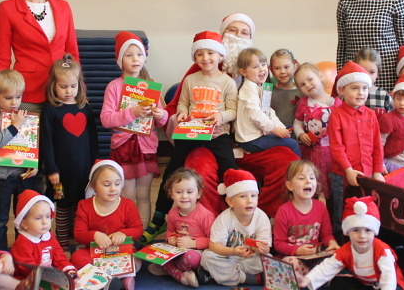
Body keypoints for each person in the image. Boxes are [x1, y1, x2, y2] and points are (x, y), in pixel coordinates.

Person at [141, 31, 238, 245]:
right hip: (191, 131)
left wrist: (221, 116)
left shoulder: (227, 82)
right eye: (200, 54)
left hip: (217, 133)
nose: (205, 58)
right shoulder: (191, 80)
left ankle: (234, 217)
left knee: (230, 170)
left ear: (220, 56)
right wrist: (182, 114)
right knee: (172, 169)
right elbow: (183, 103)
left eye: (210, 53)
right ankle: (159, 218)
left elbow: (233, 110)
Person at [11, 190, 120, 290]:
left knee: (74, 285)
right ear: (24, 223)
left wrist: (68, 270)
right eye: (38, 218)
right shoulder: (23, 242)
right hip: (28, 283)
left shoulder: (49, 236)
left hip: (49, 276)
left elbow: (59, 256)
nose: (45, 222)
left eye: (47, 217)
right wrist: (50, 278)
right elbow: (26, 268)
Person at [300, 196, 404, 290]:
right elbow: (328, 266)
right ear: (348, 232)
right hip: (364, 285)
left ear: (374, 232)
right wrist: (307, 279)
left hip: (383, 285)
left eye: (368, 230)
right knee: (337, 284)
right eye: (356, 230)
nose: (362, 236)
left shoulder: (382, 250)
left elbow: (389, 278)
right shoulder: (346, 250)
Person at [101, 32, 168, 227]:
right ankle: (130, 231)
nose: (135, 59)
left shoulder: (150, 87)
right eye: (129, 55)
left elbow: (163, 121)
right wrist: (133, 112)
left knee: (144, 195)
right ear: (120, 60)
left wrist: (160, 115)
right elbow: (106, 119)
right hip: (124, 149)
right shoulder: (114, 87)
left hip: (146, 149)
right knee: (127, 195)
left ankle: (143, 233)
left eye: (139, 54)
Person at [40, 54, 98, 252]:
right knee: (63, 208)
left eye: (73, 86)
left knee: (82, 208)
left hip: (84, 171)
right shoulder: (50, 110)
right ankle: (62, 245)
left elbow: (93, 139)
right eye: (63, 86)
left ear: (79, 85)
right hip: (60, 173)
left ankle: (80, 243)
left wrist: (95, 164)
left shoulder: (85, 108)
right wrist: (51, 169)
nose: (68, 91)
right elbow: (46, 142)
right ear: (53, 86)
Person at [327, 61, 386, 240]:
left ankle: (364, 240)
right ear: (342, 90)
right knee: (341, 209)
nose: (361, 93)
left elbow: (377, 144)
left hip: (367, 173)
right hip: (342, 174)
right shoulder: (336, 115)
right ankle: (339, 242)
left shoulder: (370, 114)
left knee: (366, 208)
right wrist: (348, 169)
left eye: (364, 88)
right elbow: (337, 147)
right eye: (355, 88)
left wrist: (377, 171)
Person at [0, 69, 42, 250]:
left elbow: (32, 142)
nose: (14, 102)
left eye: (18, 97)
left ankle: (21, 251)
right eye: (8, 98)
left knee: (23, 217)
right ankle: (0, 253)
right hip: (1, 177)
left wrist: (34, 163)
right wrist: (15, 125)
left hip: (23, 175)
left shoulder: (25, 114)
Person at [72, 160, 143, 290]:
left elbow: (138, 230)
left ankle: (103, 279)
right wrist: (95, 235)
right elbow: (78, 234)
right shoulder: (84, 205)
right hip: (94, 251)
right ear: (93, 185)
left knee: (137, 259)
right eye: (106, 185)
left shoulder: (127, 205)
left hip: (121, 250)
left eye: (117, 184)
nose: (113, 189)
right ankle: (120, 279)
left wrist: (123, 233)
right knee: (77, 258)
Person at [198, 169, 272, 286]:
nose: (249, 201)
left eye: (253, 196)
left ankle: (220, 276)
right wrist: (233, 251)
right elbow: (214, 246)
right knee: (207, 257)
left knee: (268, 259)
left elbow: (265, 248)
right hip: (229, 257)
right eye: (243, 196)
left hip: (250, 259)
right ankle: (249, 279)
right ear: (230, 201)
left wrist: (262, 249)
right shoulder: (224, 218)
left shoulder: (262, 218)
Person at [272, 160, 339, 282]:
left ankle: (311, 278)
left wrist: (332, 243)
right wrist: (297, 250)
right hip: (293, 258)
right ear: (290, 186)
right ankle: (312, 279)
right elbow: (279, 243)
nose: (308, 181)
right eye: (301, 178)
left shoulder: (320, 207)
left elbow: (326, 234)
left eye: (312, 178)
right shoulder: (284, 211)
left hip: (314, 257)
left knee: (336, 258)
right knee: (290, 263)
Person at [151, 168, 216, 288]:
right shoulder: (172, 213)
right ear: (171, 194)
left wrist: (193, 243)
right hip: (178, 250)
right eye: (179, 192)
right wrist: (171, 238)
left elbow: (214, 241)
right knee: (153, 252)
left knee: (191, 258)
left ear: (198, 193)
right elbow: (171, 230)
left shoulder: (205, 215)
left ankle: (172, 270)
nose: (184, 196)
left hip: (197, 252)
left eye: (190, 192)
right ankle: (182, 274)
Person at [235, 47, 301, 157]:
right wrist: (274, 129)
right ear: (243, 72)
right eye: (255, 67)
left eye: (263, 65)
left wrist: (281, 128)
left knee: (288, 140)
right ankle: (299, 167)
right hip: (250, 139)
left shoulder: (261, 87)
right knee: (293, 144)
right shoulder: (248, 88)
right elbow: (255, 114)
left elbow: (269, 111)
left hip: (259, 135)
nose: (261, 69)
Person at [292, 62, 342, 201]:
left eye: (310, 79)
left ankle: (332, 208)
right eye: (302, 84)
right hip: (311, 151)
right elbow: (297, 123)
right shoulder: (304, 103)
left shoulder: (335, 102)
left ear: (320, 76)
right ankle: (317, 205)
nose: (308, 85)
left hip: (332, 152)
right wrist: (301, 134)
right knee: (316, 180)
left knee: (332, 181)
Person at [354, 47, 393, 117]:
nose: (367, 76)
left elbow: (392, 118)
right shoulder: (350, 94)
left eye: (372, 72)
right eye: (363, 71)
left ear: (378, 73)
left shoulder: (384, 96)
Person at [269, 49, 301, 130]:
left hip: (296, 135)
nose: (282, 71)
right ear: (271, 70)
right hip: (274, 134)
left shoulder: (302, 91)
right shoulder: (269, 92)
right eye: (277, 68)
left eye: (286, 67)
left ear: (295, 66)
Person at [220, 12, 255, 84]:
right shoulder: (209, 62)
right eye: (232, 30)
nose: (238, 35)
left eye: (244, 33)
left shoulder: (257, 64)